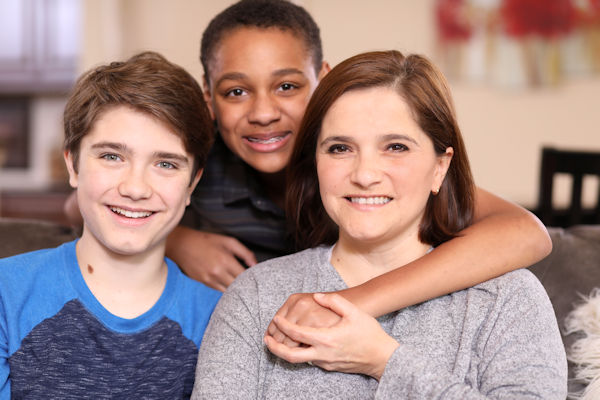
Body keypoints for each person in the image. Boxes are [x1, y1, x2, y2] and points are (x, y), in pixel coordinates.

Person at [166, 0, 552, 344]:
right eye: (236, 92)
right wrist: (174, 240)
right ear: (208, 96)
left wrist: (350, 303)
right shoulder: (195, 163)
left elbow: (527, 234)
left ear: (323, 79)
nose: (264, 113)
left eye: (287, 86)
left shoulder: (366, 162)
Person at [192, 50, 567, 399]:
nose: (365, 174)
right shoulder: (256, 296)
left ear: (440, 167)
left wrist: (385, 362)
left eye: (396, 147)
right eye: (340, 148)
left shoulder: (508, 299)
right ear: (315, 163)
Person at [0, 51, 221, 398]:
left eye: (165, 164)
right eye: (112, 156)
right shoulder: (6, 294)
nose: (134, 188)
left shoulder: (220, 319)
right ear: (72, 165)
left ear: (192, 183)